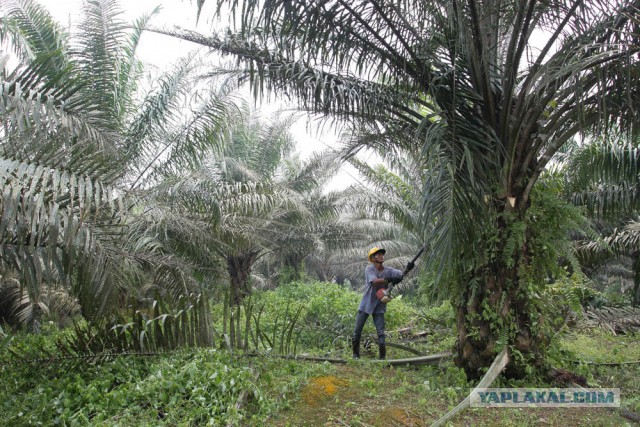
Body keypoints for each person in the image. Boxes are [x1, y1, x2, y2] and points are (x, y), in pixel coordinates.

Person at [352, 247, 407, 360]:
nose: (381, 256)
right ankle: (355, 355)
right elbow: (375, 282)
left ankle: (382, 358)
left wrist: (408, 268)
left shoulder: (389, 270)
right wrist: (389, 280)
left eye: (382, 254)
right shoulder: (369, 269)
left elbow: (400, 275)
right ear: (373, 258)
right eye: (378, 254)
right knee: (358, 330)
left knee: (381, 332)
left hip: (379, 305)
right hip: (366, 304)